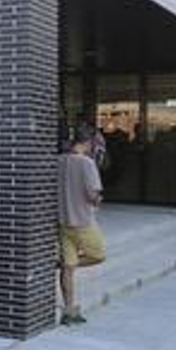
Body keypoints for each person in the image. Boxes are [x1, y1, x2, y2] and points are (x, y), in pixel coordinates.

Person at [58, 129, 107, 325]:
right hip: (83, 222)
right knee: (98, 254)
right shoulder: (87, 163)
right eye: (94, 144)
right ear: (87, 143)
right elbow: (92, 195)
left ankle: (69, 310)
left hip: (62, 222)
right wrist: (98, 201)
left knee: (67, 269)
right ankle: (67, 264)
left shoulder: (59, 160)